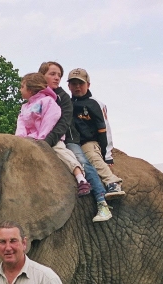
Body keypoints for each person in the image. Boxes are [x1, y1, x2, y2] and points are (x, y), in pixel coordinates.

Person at [38, 61, 113, 222]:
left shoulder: (63, 98)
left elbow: (64, 123)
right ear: (41, 76)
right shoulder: (37, 97)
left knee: (83, 162)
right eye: (52, 74)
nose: (57, 78)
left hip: (68, 140)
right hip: (43, 140)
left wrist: (46, 142)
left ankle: (102, 201)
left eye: (59, 75)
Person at [15, 73, 93, 200]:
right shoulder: (25, 107)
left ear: (30, 89)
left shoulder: (48, 102)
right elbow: (21, 124)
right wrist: (20, 140)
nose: (20, 89)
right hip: (29, 141)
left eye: (22, 86)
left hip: (47, 139)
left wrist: (42, 140)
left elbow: (50, 120)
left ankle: (81, 178)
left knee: (62, 152)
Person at [67, 68, 125, 198]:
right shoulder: (67, 104)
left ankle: (112, 182)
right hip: (72, 143)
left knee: (92, 156)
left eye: (80, 83)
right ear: (68, 86)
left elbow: (105, 129)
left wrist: (108, 155)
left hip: (90, 142)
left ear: (88, 84)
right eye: (74, 83)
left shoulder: (95, 104)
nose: (77, 87)